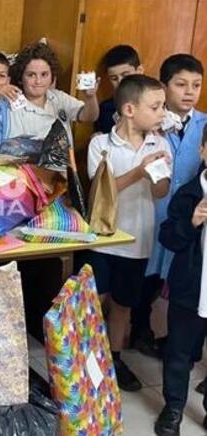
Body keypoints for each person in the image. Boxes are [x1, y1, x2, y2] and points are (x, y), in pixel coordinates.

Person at [79, 74, 170, 393]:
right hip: (103, 238)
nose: (162, 112)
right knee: (93, 301)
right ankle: (86, 361)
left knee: (123, 305)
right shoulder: (100, 144)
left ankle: (114, 360)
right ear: (130, 109)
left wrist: (159, 174)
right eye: (156, 107)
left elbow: (160, 192)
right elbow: (100, 191)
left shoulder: (159, 143)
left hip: (138, 240)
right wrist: (138, 171)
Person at [155, 124, 207, 436]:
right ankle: (173, 408)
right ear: (203, 151)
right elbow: (169, 239)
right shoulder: (188, 193)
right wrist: (191, 222)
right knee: (178, 352)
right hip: (190, 288)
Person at [7, 42, 99, 143]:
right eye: (31, 75)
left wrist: (91, 98)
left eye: (44, 74)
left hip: (65, 158)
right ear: (21, 77)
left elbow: (89, 117)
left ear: (52, 76)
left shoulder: (59, 97)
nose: (38, 81)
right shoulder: (13, 105)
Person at [94, 45, 144, 134]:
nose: (120, 82)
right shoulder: (105, 109)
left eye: (125, 75)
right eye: (114, 78)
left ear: (139, 71)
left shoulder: (154, 103)